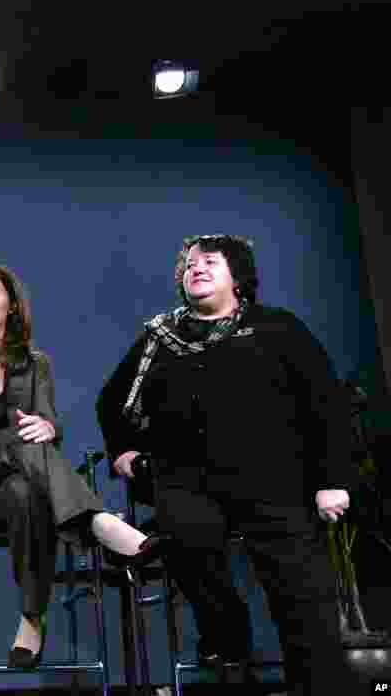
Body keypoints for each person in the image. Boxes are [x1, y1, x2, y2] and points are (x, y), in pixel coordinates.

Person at [96, 234, 354, 694]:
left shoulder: (277, 328)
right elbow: (113, 401)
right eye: (190, 264)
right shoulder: (161, 340)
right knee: (183, 539)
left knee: (301, 597)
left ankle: (318, 685)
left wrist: (332, 481)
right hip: (186, 480)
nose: (195, 269)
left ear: (238, 276)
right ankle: (228, 639)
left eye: (209, 262)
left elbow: (326, 404)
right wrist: (123, 450)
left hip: (275, 479)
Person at [0, 260, 165, 668]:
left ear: (12, 305)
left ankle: (32, 618)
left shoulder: (35, 363)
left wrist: (49, 427)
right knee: (16, 437)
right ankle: (98, 522)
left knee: (24, 492)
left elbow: (48, 425)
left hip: (9, 489)